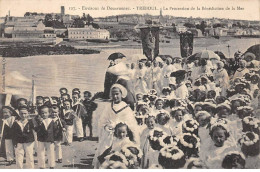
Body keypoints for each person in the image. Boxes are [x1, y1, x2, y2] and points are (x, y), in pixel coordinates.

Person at [93, 84, 139, 168]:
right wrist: (106, 127)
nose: (115, 96)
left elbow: (131, 124)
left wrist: (121, 127)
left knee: (121, 156)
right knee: (105, 154)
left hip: (122, 136)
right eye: (113, 94)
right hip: (109, 136)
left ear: (122, 94)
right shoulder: (108, 107)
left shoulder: (126, 108)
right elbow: (102, 121)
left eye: (117, 94)